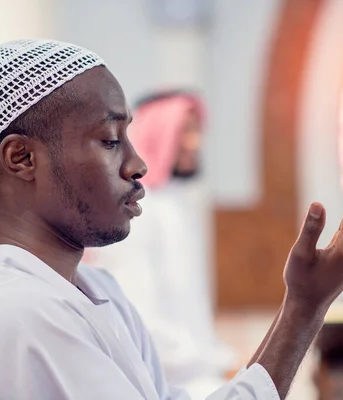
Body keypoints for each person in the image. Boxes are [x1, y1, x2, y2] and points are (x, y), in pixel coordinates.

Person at [0, 39, 343, 400]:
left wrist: (304, 306)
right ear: (22, 158)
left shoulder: (95, 293)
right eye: (109, 140)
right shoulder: (21, 314)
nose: (138, 163)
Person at [85, 90, 236, 396]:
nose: (195, 143)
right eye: (184, 131)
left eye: (197, 131)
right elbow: (139, 316)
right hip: (161, 381)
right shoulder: (135, 210)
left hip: (197, 374)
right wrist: (213, 362)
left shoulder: (175, 203)